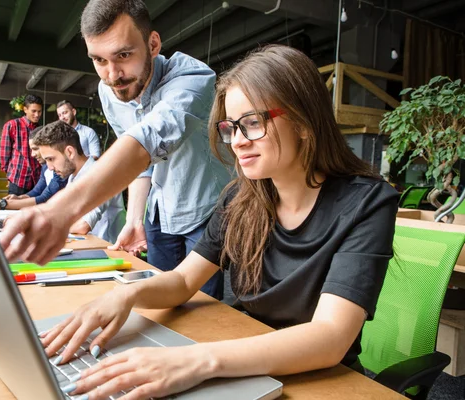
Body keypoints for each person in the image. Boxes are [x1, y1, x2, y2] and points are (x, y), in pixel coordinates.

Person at [37, 45, 400, 399]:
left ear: (303, 122)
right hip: (242, 361)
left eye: (253, 123)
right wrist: (125, 294)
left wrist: (196, 361)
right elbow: (182, 279)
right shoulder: (239, 199)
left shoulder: (366, 202)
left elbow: (329, 337)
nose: (238, 142)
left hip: (321, 382)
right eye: (232, 127)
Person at [0, 0, 230, 299]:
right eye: (99, 60)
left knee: (202, 307)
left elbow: (145, 142)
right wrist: (135, 218)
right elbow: (141, 164)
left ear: (153, 43)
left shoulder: (193, 78)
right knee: (160, 299)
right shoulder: (109, 92)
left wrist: (60, 211)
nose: (112, 75)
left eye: (123, 55)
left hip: (206, 212)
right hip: (158, 212)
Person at [34, 120, 125, 244]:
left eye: (51, 159)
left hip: (109, 252)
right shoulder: (73, 177)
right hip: (89, 246)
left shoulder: (102, 174)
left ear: (70, 152)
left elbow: (82, 226)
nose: (49, 167)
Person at [0, 127, 67, 210]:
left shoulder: (60, 167)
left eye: (35, 149)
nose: (32, 154)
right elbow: (37, 191)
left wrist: (2, 204)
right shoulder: (45, 166)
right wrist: (19, 198)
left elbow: (44, 199)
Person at [0, 94, 43, 195]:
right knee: (15, 209)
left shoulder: (41, 130)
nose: (37, 115)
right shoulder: (12, 125)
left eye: (39, 111)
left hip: (37, 181)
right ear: (25, 109)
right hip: (18, 179)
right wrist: (9, 176)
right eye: (34, 111)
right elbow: (4, 154)